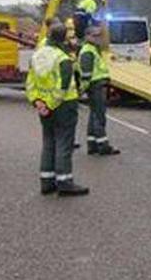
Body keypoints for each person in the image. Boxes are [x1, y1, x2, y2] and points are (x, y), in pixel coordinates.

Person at [26, 23, 89, 196]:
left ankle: (46, 181)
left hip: (43, 107)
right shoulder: (63, 59)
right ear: (63, 39)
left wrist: (38, 102)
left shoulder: (36, 56)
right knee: (64, 143)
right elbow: (62, 87)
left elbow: (30, 83)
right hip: (63, 106)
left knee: (48, 142)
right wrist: (52, 105)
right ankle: (65, 181)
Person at [79, 26, 120, 156]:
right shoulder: (88, 51)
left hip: (97, 85)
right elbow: (86, 74)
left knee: (94, 115)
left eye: (99, 36)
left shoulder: (92, 50)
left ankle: (92, 144)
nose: (98, 38)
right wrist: (83, 89)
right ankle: (103, 146)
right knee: (99, 116)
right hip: (95, 86)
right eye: (95, 36)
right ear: (87, 36)